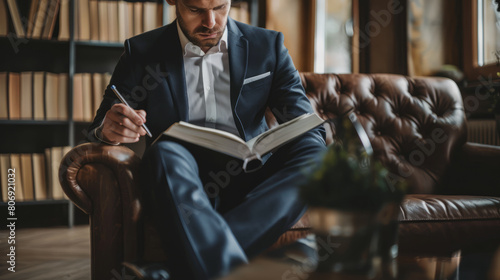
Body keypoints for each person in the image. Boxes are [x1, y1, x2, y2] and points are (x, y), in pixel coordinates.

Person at [87, 0, 326, 279]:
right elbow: (102, 122)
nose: (210, 22)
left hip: (255, 173)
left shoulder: (267, 45)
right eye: (195, 9)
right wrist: (109, 128)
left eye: (220, 7)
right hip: (183, 176)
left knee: (316, 152)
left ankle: (176, 271)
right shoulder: (142, 51)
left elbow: (306, 123)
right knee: (164, 152)